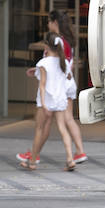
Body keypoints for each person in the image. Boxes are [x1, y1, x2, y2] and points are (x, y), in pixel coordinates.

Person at [17, 9, 88, 166]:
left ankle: (34, 155)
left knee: (44, 125)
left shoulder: (58, 43)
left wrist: (40, 71)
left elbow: (50, 73)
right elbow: (65, 67)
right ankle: (75, 153)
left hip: (55, 90)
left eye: (49, 21)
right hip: (64, 88)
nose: (48, 24)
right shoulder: (65, 42)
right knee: (64, 122)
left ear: (54, 22)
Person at [20, 33, 77, 171]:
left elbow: (42, 85)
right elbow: (69, 76)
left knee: (39, 129)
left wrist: (44, 104)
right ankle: (70, 159)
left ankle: (32, 162)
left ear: (46, 46)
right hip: (60, 98)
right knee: (63, 128)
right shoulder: (63, 62)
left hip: (46, 99)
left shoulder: (43, 63)